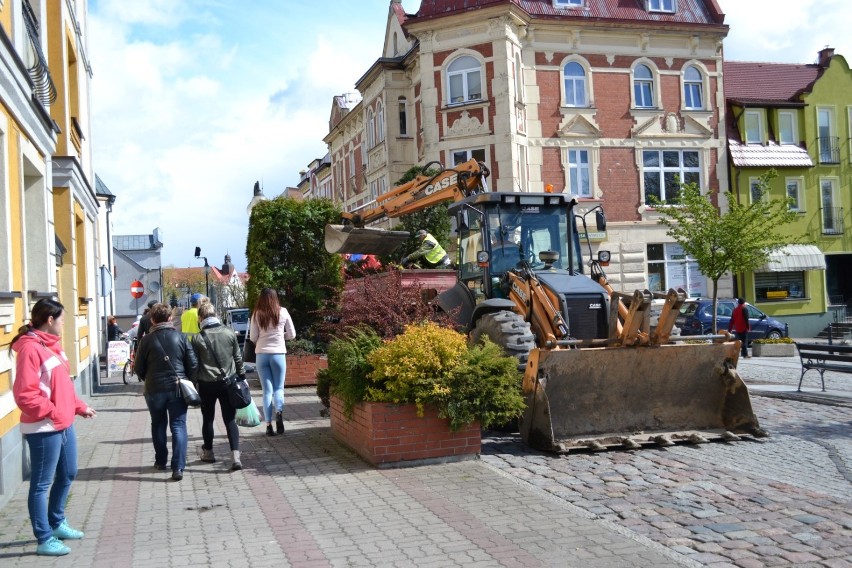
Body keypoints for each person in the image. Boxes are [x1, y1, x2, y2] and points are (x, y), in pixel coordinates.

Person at [10, 298, 97, 556]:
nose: (63, 325)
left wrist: (78, 407)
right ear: (50, 320)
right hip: (44, 428)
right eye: (61, 320)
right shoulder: (30, 349)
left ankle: (57, 522)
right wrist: (53, 411)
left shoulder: (52, 347)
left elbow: (64, 386)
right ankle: (44, 537)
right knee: (41, 484)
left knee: (68, 473)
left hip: (63, 423)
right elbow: (25, 394)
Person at [135, 303, 198, 481]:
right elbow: (193, 363)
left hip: (154, 389)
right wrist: (189, 381)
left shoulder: (146, 340)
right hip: (177, 387)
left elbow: (138, 368)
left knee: (158, 423)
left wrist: (147, 377)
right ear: (170, 318)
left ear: (152, 319)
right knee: (178, 425)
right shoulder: (181, 337)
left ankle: (161, 461)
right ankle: (177, 467)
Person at [190, 300, 246, 471]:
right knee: (229, 419)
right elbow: (238, 358)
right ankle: (235, 456)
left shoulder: (197, 338)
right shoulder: (229, 333)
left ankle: (209, 453)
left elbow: (194, 364)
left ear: (200, 318)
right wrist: (241, 376)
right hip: (227, 383)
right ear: (215, 315)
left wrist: (193, 383)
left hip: (206, 385)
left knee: (208, 419)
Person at [249, 288, 296, 436]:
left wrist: (263, 340)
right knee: (278, 388)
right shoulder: (283, 312)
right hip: (278, 354)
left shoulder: (257, 314)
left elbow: (252, 337)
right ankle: (279, 413)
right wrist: (281, 336)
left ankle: (268, 425)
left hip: (262, 355)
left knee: (267, 391)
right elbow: (292, 334)